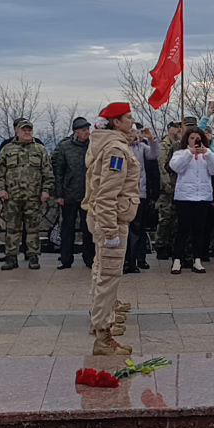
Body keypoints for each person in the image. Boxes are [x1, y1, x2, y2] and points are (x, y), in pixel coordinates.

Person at [84, 102, 139, 356]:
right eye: (127, 118)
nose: (131, 121)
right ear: (116, 122)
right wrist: (110, 232)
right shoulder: (116, 149)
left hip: (105, 218)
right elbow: (107, 194)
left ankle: (101, 324)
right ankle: (103, 337)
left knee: (100, 272)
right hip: (112, 221)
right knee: (108, 277)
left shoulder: (106, 143)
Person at [0, 118, 54, 270]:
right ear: (17, 131)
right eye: (24, 130)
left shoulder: (39, 149)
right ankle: (11, 257)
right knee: (12, 228)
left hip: (33, 197)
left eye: (29, 130)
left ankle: (33, 256)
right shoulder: (7, 149)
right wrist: (1, 189)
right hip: (12, 197)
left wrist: (46, 190)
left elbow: (48, 173)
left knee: (33, 228)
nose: (27, 132)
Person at [168, 127, 214, 274]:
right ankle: (177, 260)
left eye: (198, 139)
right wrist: (189, 153)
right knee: (182, 230)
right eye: (192, 138)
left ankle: (197, 260)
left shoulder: (207, 154)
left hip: (203, 197)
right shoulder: (180, 153)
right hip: (185, 197)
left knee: (199, 230)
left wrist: (208, 154)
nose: (195, 141)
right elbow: (176, 167)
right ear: (187, 139)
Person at [52, 116, 92, 270]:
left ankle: (89, 258)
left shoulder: (92, 147)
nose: (87, 132)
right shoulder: (65, 147)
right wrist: (59, 194)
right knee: (67, 228)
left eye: (88, 129)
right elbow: (59, 171)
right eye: (83, 130)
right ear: (76, 132)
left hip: (87, 194)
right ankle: (66, 259)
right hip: (69, 195)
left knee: (88, 229)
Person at [125, 124, 159, 273]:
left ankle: (137, 259)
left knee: (138, 228)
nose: (134, 135)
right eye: (131, 131)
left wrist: (151, 140)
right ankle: (127, 261)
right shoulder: (121, 147)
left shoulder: (141, 147)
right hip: (124, 193)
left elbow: (154, 155)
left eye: (136, 132)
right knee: (126, 229)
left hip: (140, 193)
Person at [154, 120, 183, 261]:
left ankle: (171, 245)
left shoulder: (181, 145)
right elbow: (162, 167)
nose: (178, 129)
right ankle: (161, 245)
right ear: (169, 128)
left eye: (180, 127)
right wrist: (167, 185)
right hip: (167, 188)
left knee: (177, 219)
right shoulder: (164, 145)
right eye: (175, 127)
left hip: (179, 187)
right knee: (165, 218)